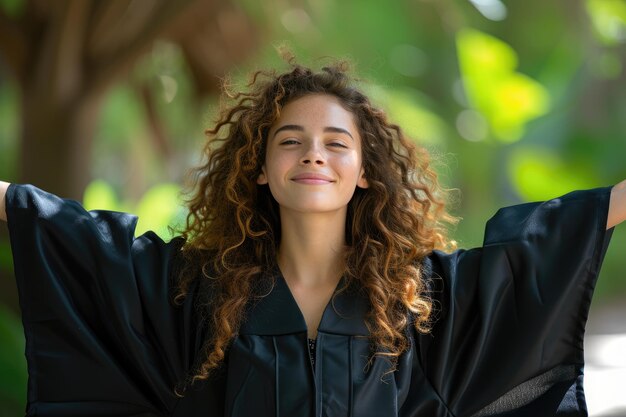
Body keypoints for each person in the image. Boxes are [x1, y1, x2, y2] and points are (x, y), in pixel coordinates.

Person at [1, 60, 625, 417]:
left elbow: (536, 256)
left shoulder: (418, 300)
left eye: (336, 143)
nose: (313, 156)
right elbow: (79, 241)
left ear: (363, 173)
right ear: (261, 168)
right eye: (290, 140)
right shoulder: (198, 295)